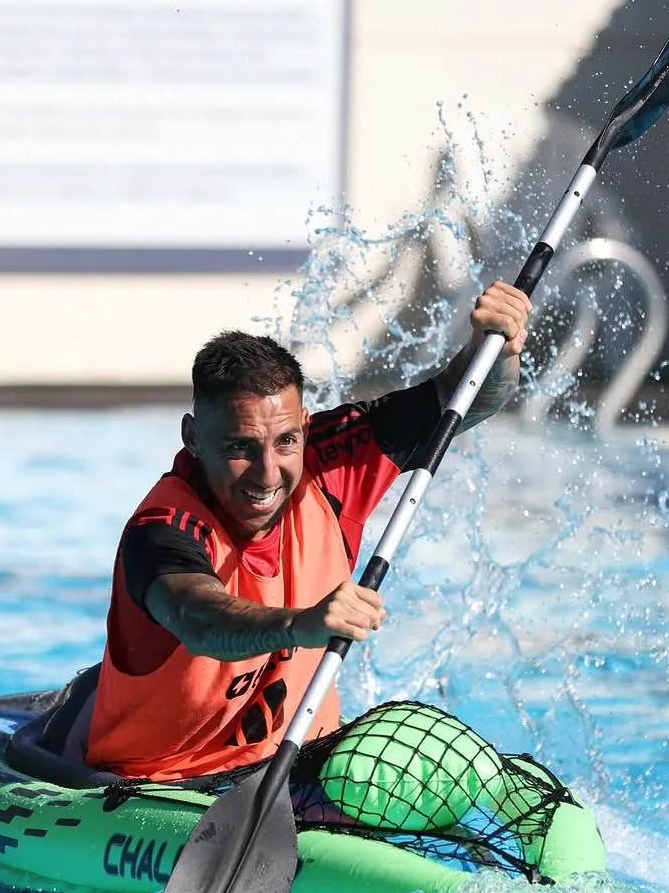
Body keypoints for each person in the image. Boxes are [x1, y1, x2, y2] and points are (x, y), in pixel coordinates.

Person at [84, 282, 531, 782]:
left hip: (299, 769)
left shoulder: (330, 462)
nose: (268, 474)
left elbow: (465, 399)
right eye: (239, 448)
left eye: (286, 441)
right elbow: (198, 618)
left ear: (303, 424)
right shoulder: (164, 528)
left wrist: (495, 347)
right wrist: (303, 624)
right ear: (193, 438)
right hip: (162, 782)